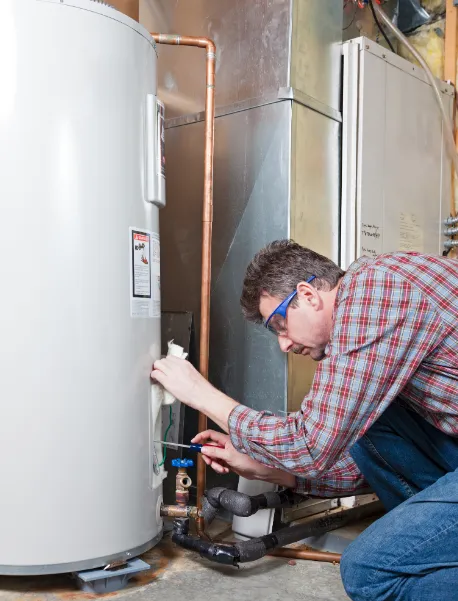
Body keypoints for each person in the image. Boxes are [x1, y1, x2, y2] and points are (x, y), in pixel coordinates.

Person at [152, 239, 458, 601]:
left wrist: (202, 395)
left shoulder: (376, 291)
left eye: (279, 325)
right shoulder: (380, 288)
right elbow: (370, 458)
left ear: (308, 295)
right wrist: (274, 471)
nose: (283, 344)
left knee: (371, 572)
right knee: (363, 423)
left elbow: (310, 445)